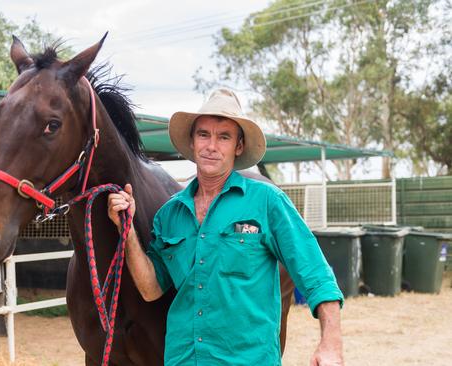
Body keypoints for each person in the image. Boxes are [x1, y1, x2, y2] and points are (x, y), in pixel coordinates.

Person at [108, 88, 344, 365]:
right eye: (203, 134)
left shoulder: (267, 202)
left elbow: (315, 273)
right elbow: (151, 288)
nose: (211, 145)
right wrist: (128, 232)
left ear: (238, 146)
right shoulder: (170, 214)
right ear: (193, 142)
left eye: (224, 137)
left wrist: (331, 343)